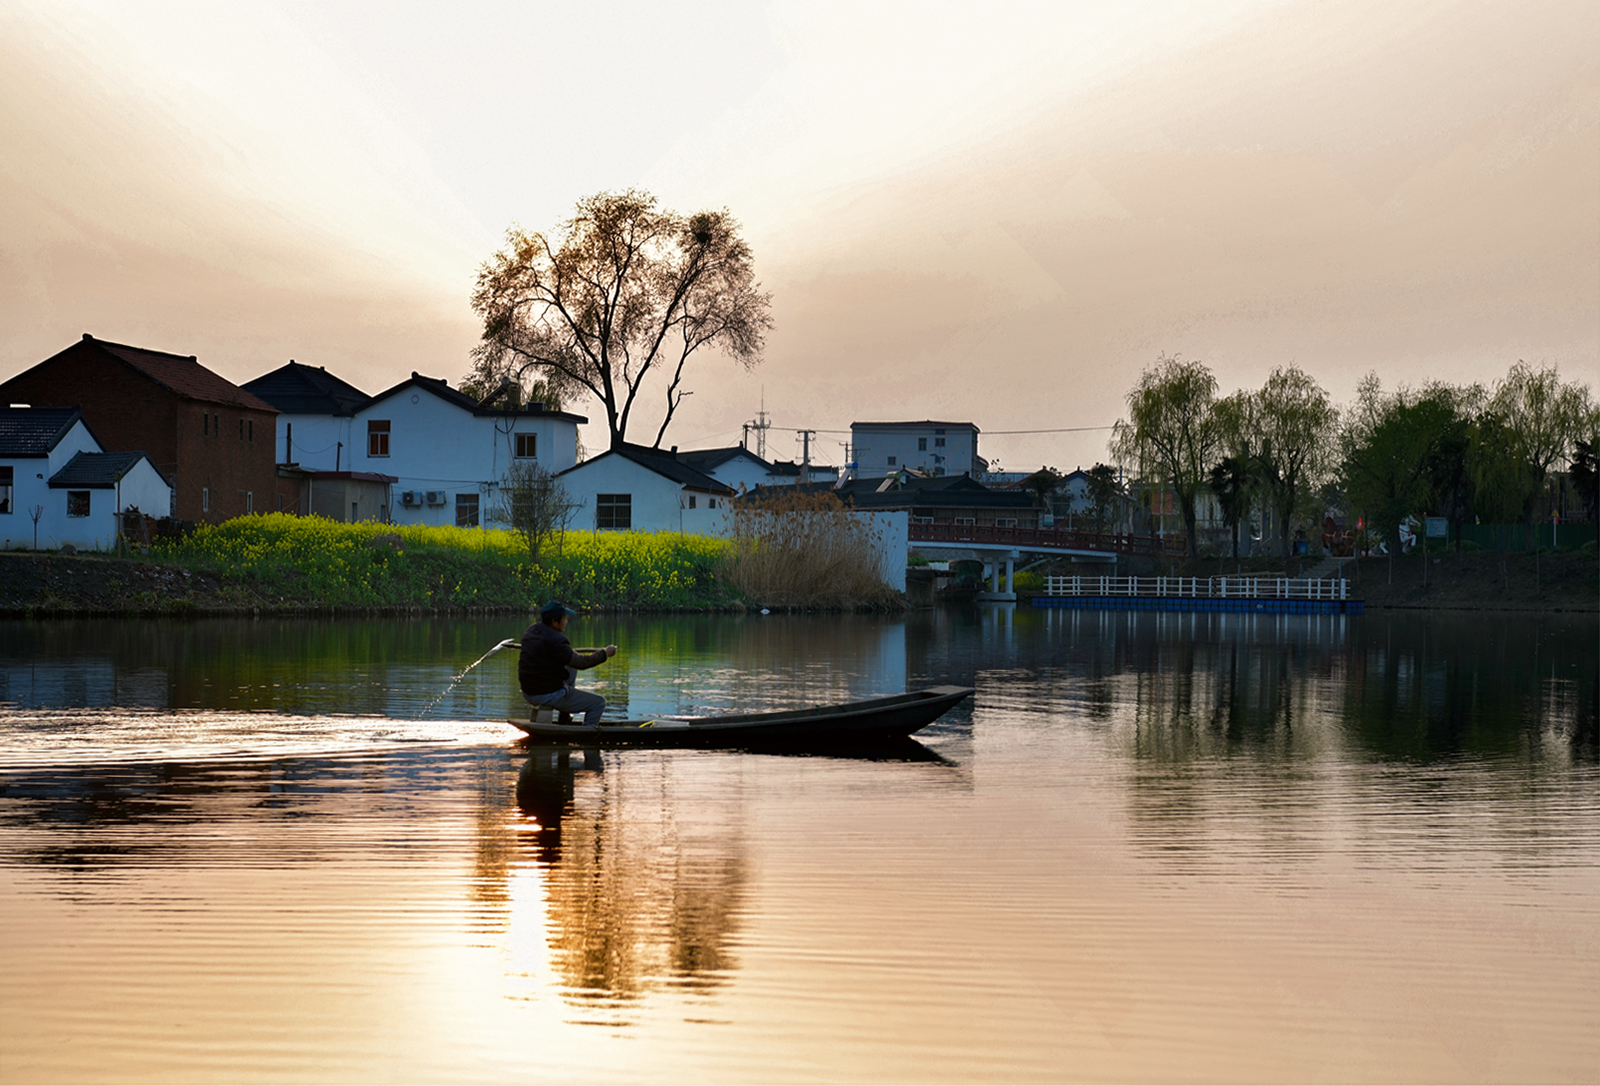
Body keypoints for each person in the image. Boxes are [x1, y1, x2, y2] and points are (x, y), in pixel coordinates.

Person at [519, 600, 617, 726]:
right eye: (564, 618)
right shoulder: (557, 640)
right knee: (598, 703)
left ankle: (564, 717)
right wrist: (605, 653)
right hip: (546, 694)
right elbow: (582, 663)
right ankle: (585, 736)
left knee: (570, 666)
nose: (566, 622)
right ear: (554, 621)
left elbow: (568, 659)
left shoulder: (531, 631)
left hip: (528, 692)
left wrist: (570, 653)